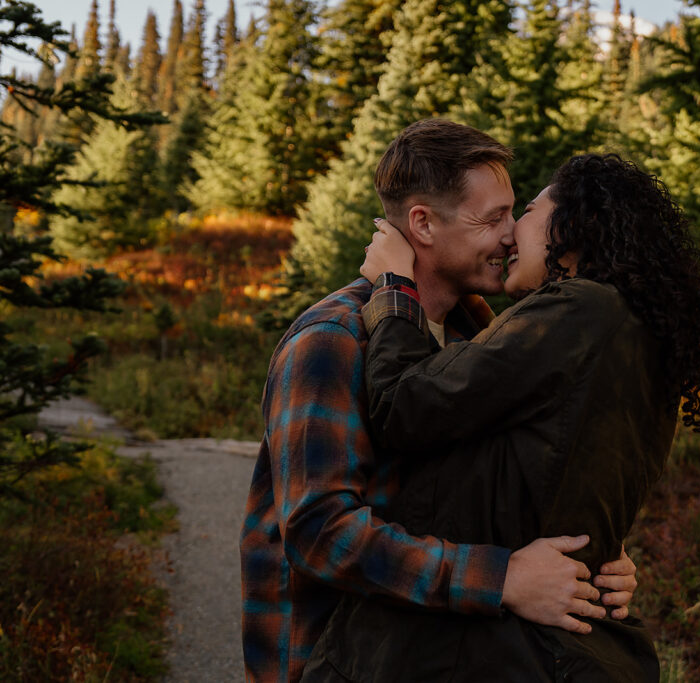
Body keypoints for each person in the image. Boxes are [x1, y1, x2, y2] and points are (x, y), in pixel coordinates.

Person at [240, 121, 639, 683]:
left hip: (431, 655)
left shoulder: (476, 336)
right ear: (423, 223)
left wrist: (595, 561)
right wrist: (502, 579)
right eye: (491, 218)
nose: (511, 236)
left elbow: (497, 488)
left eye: (513, 213)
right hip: (329, 656)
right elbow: (320, 533)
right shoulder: (331, 340)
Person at [305, 153, 700, 681]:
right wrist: (600, 554)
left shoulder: (580, 311)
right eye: (494, 218)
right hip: (554, 647)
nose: (509, 234)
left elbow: (400, 406)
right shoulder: (637, 332)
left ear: (574, 227)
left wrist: (393, 285)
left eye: (525, 210)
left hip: (494, 652)